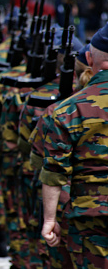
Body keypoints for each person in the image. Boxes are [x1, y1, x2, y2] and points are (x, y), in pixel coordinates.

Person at [41, 23, 108, 268]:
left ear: (89, 58)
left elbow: (54, 171)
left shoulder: (68, 108)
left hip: (88, 215)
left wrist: (49, 219)